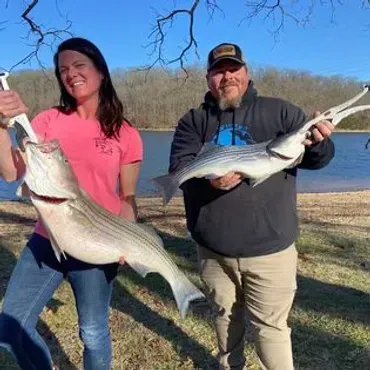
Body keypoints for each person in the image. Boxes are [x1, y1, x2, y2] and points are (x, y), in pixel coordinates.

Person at [168, 43, 335, 370]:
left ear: (247, 74)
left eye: (233, 69)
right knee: (224, 321)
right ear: (208, 79)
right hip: (214, 251)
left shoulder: (281, 112)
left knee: (271, 330)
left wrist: (319, 141)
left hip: (271, 249)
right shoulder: (194, 120)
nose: (226, 76)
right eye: (218, 71)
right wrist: (208, 182)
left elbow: (318, 159)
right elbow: (180, 168)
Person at [0, 37, 143, 369]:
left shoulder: (126, 133)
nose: (71, 74)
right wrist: (2, 124)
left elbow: (128, 198)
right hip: (45, 239)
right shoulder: (48, 121)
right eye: (63, 69)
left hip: (97, 241)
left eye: (80, 65)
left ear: (101, 72)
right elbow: (10, 173)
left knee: (92, 332)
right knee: (10, 325)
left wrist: (127, 239)